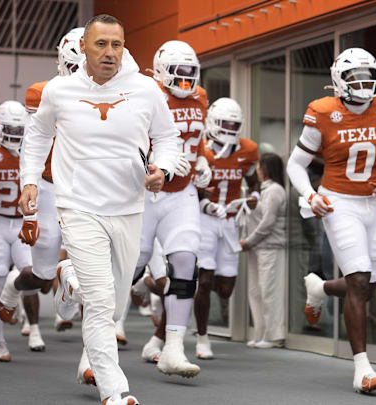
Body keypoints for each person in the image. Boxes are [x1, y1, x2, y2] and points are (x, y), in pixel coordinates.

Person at [19, 14, 179, 405]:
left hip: (128, 207)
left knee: (116, 303)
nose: (109, 53)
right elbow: (38, 134)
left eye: (116, 45)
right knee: (103, 300)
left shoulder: (145, 89)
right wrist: (29, 181)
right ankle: (114, 389)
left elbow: (169, 137)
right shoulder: (60, 90)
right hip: (78, 205)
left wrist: (166, 169)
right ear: (84, 48)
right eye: (101, 44)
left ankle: (69, 280)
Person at [287, 47, 376, 393]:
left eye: (367, 76)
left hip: (374, 204)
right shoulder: (324, 111)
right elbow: (295, 164)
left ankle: (320, 288)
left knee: (368, 285)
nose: (362, 83)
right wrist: (311, 195)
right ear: (338, 81)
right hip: (339, 202)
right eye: (354, 77)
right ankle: (362, 369)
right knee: (359, 280)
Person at [130, 40, 211, 375]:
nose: (184, 82)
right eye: (177, 75)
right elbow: (128, 140)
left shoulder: (201, 97)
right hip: (146, 193)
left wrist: (202, 159)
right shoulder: (146, 94)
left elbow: (196, 137)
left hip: (182, 194)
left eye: (189, 75)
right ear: (161, 72)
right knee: (129, 267)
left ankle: (173, 349)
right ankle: (96, 343)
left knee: (185, 264)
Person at [0, 27, 85, 335]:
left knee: (94, 269)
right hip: (49, 187)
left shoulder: (114, 95)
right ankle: (12, 285)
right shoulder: (43, 93)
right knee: (41, 277)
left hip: (88, 191)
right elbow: (33, 147)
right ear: (63, 62)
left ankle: (94, 362)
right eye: (77, 66)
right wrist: (30, 202)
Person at [192, 97, 259, 358]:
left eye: (234, 124)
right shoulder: (203, 151)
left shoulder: (247, 150)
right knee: (205, 280)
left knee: (226, 288)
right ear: (212, 123)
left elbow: (254, 183)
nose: (230, 129)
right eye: (225, 123)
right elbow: (190, 188)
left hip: (230, 221)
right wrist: (207, 205)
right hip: (205, 219)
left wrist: (254, 198)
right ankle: (202, 337)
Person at [0, 100, 42, 360]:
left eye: (20, 130)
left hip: (21, 222)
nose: (16, 136)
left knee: (31, 274)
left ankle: (19, 302)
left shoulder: (31, 152)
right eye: (11, 130)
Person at [240, 153, 287, 348]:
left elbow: (268, 222)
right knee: (256, 291)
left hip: (270, 247)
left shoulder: (275, 190)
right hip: (258, 248)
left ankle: (274, 335)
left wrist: (249, 241)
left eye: (260, 166)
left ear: (266, 168)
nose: (257, 170)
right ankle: (260, 332)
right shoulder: (265, 190)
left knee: (270, 292)